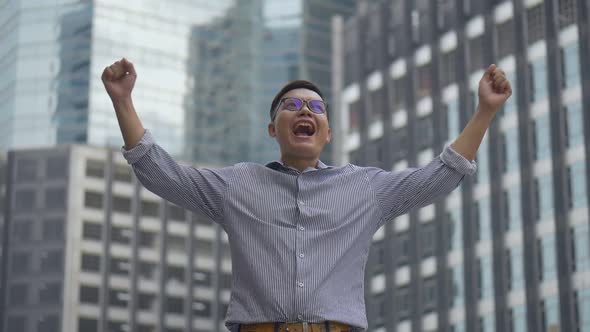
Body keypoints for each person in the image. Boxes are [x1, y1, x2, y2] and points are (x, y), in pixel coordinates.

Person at [102, 58, 511, 332]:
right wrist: (123, 101)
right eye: (291, 105)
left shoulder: (364, 188)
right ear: (272, 129)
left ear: (327, 132)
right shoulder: (238, 185)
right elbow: (162, 174)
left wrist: (485, 111)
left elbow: (440, 176)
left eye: (316, 107)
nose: (305, 111)